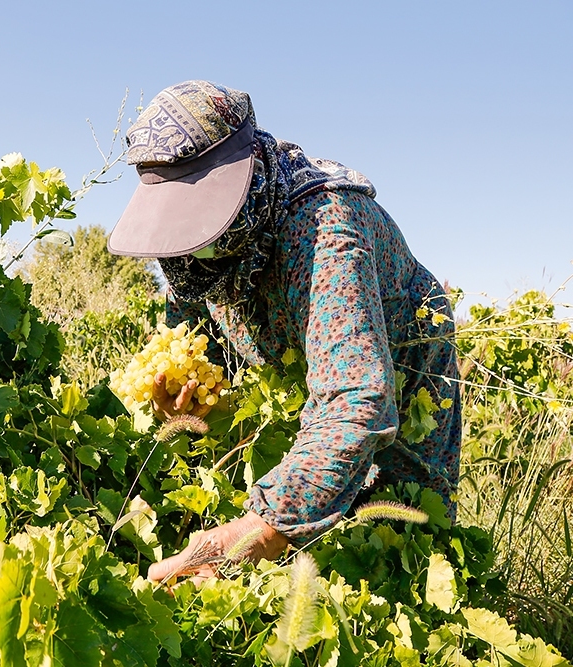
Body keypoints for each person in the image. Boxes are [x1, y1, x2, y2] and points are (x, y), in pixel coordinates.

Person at [107, 80, 461, 584]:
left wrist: (259, 531)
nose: (188, 245)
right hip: (311, 374)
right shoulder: (193, 258)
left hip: (406, 371)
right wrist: (193, 392)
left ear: (243, 172)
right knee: (312, 533)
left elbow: (355, 396)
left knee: (402, 543)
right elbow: (193, 334)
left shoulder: (326, 228)